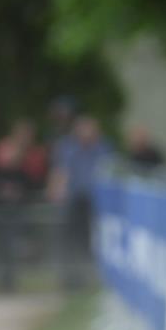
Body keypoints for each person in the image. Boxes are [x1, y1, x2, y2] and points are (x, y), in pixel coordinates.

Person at [48, 115, 111, 289]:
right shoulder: (67, 147)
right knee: (70, 239)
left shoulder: (102, 148)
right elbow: (60, 171)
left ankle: (93, 276)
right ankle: (70, 276)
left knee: (90, 239)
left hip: (95, 201)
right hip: (73, 200)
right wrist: (56, 190)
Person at [0, 119, 47, 290]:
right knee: (4, 244)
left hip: (24, 206)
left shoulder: (34, 154)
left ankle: (22, 277)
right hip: (2, 206)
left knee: (22, 242)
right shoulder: (2, 149)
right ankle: (6, 280)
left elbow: (37, 179)